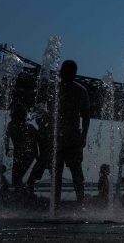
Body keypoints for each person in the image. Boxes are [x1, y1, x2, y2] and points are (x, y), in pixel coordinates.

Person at [53, 60, 90, 206]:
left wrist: (84, 136)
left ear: (74, 74)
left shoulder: (81, 91)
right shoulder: (54, 90)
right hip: (57, 135)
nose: (65, 74)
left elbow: (86, 115)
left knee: (76, 172)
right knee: (56, 172)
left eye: (69, 72)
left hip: (73, 135)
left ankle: (81, 204)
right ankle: (54, 205)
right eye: (64, 71)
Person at [5, 104, 37, 194]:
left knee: (16, 179)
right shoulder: (29, 127)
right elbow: (36, 139)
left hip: (21, 155)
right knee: (17, 179)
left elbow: (6, 137)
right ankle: (26, 194)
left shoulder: (12, 125)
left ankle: (24, 196)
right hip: (28, 155)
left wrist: (7, 149)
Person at [25, 110, 54, 194]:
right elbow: (35, 144)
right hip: (48, 158)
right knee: (55, 178)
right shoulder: (46, 130)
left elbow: (34, 145)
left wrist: (36, 155)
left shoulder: (41, 131)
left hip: (43, 158)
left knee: (31, 179)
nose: (38, 122)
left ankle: (29, 195)